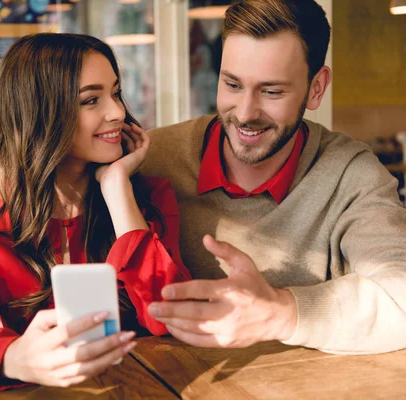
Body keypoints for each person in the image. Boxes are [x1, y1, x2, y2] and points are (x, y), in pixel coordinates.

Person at [0, 33, 190, 397]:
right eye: (91, 100)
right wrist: (13, 357)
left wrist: (117, 191)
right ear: (40, 111)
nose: (118, 112)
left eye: (116, 93)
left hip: (148, 387)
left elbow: (168, 313)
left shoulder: (148, 198)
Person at [142, 0, 406, 354]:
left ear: (316, 88)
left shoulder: (350, 173)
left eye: (271, 91)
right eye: (232, 84)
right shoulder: (152, 159)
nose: (245, 113)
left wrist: (282, 312)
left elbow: (401, 292)